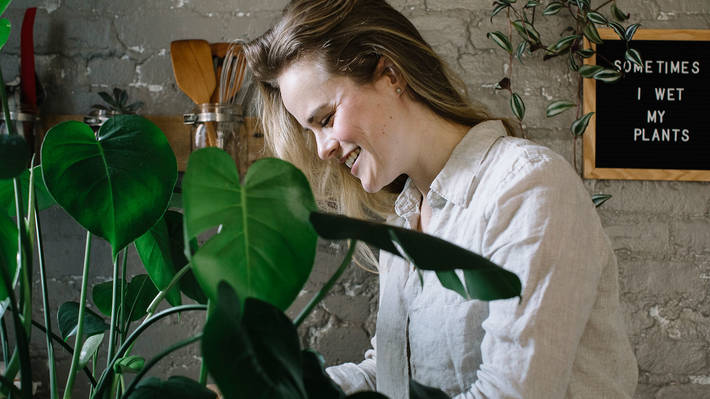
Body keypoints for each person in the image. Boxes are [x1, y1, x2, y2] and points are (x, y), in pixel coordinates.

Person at [243, 0, 638, 398]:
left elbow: (510, 394)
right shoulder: (403, 224)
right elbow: (391, 376)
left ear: (390, 74)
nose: (323, 148)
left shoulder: (527, 188)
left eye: (326, 119)